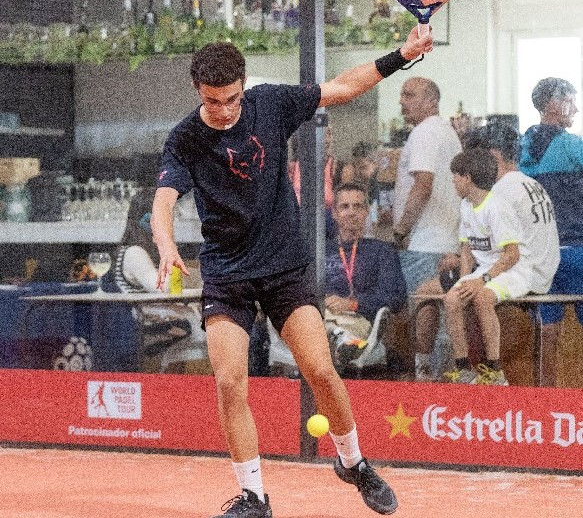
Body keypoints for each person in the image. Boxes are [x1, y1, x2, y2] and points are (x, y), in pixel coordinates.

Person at [152, 29, 432, 517]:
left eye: (232, 98)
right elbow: (163, 201)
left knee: (321, 370)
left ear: (243, 86)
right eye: (213, 101)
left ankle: (355, 463)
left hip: (283, 266)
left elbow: (342, 87)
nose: (225, 110)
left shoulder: (270, 104)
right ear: (198, 91)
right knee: (229, 382)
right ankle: (254, 497)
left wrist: (402, 55)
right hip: (227, 275)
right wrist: (166, 246)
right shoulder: (185, 138)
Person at [414, 121, 560, 384]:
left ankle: (425, 370)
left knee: (426, 290)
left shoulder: (498, 192)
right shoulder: (529, 182)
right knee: (458, 288)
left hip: (521, 270)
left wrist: (471, 273)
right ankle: (460, 366)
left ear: (491, 156)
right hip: (541, 267)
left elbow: (504, 250)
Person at [443, 148, 539, 386]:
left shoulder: (496, 207)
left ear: (467, 177)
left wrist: (481, 280)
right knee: (452, 299)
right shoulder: (466, 205)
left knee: (483, 298)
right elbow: (466, 249)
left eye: (455, 176)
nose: (453, 181)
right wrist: (464, 282)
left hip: (514, 270)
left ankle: (495, 370)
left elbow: (513, 255)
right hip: (486, 270)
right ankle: (463, 368)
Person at [392, 77, 462, 378]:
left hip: (424, 242)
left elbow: (423, 184)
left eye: (409, 95)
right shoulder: (446, 132)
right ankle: (440, 381)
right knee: (442, 320)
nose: (402, 101)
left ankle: (425, 383)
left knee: (425, 312)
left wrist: (401, 230)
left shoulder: (424, 132)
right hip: (445, 240)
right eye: (402, 95)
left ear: (431, 101)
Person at [519, 77, 583, 365]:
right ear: (553, 104)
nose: (576, 109)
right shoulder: (573, 146)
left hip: (539, 254)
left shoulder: (521, 148)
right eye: (571, 101)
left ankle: (544, 391)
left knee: (547, 329)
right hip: (576, 250)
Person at [324, 182, 407, 372]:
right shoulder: (320, 251)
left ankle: (341, 339)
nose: (351, 212)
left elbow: (395, 297)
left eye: (358, 206)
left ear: (366, 211)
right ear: (334, 213)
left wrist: (353, 304)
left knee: (328, 331)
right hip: (322, 315)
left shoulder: (381, 251)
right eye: (345, 207)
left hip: (358, 320)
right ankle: (340, 339)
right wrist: (322, 299)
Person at [116, 187, 198, 363]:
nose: (171, 222)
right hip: (145, 327)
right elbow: (165, 288)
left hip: (156, 321)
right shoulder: (134, 252)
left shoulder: (144, 251)